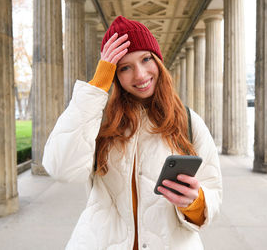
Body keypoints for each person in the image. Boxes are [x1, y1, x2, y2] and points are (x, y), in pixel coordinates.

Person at [42, 15, 222, 250]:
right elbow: (60, 168)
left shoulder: (188, 121)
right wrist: (96, 86)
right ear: (114, 74)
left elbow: (213, 194)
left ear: (158, 60)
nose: (139, 74)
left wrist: (194, 203)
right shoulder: (100, 120)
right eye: (125, 67)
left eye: (146, 59)